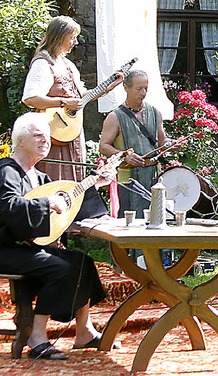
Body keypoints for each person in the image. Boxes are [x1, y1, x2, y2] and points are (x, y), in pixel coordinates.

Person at [0, 113, 115, 360]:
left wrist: (96, 185)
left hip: (26, 247)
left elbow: (66, 208)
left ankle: (84, 331)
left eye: (47, 136)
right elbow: (9, 207)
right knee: (59, 267)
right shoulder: (6, 171)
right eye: (37, 136)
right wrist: (46, 202)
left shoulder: (39, 177)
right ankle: (37, 336)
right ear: (20, 140)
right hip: (6, 248)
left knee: (82, 262)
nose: (45, 141)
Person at [22, 16, 122, 183]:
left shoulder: (68, 65)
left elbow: (82, 97)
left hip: (71, 133)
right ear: (60, 36)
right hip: (52, 134)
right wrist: (62, 102)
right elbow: (30, 98)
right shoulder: (43, 63)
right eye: (73, 37)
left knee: (73, 180)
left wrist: (108, 87)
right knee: (54, 180)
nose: (75, 42)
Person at [99, 70, 170, 217]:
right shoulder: (115, 116)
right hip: (127, 179)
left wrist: (171, 144)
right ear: (126, 87)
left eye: (146, 88)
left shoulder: (155, 112)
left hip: (151, 177)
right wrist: (123, 156)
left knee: (153, 220)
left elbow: (162, 139)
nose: (143, 92)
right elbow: (104, 146)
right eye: (139, 89)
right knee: (126, 222)